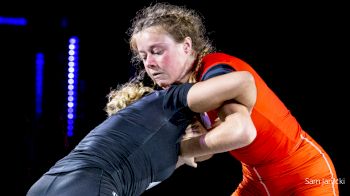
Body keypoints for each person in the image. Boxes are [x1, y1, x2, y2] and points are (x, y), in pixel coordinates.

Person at [127, 2, 339, 195]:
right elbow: (203, 154)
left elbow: (240, 132)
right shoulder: (188, 90)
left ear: (186, 46)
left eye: (156, 51)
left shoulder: (216, 69)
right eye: (143, 56)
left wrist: (183, 148)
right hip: (256, 180)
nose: (150, 63)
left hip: (305, 175)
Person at [26, 69, 257, 196]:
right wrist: (232, 117)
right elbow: (244, 81)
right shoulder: (165, 102)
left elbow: (203, 154)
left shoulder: (152, 156)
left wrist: (191, 148)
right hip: (84, 186)